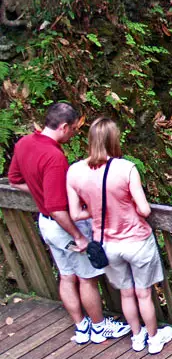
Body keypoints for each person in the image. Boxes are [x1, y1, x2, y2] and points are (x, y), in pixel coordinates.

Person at [7, 102, 130, 344]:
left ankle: (81, 326)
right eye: (73, 129)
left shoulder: (24, 143)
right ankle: (97, 328)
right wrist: (79, 236)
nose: (74, 133)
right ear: (63, 127)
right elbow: (57, 207)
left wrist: (39, 193)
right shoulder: (54, 157)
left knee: (66, 276)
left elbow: (14, 180)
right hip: (63, 226)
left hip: (46, 224)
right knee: (86, 279)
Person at [67, 116, 172, 355]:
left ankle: (137, 337)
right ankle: (154, 339)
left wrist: (94, 212)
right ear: (114, 139)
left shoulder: (74, 172)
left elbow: (75, 213)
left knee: (126, 293)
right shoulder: (126, 169)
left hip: (107, 244)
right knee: (143, 293)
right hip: (136, 240)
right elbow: (144, 209)